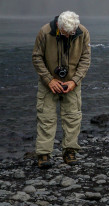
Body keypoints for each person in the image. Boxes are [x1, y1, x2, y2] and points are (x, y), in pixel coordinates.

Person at [32, 11, 91, 168]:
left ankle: (69, 151)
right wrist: (49, 80)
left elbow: (86, 58)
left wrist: (75, 81)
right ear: (59, 26)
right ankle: (43, 154)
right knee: (46, 117)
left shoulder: (82, 32)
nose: (68, 35)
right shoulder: (45, 32)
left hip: (72, 83)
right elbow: (36, 57)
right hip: (48, 83)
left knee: (73, 117)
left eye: (71, 33)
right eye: (66, 33)